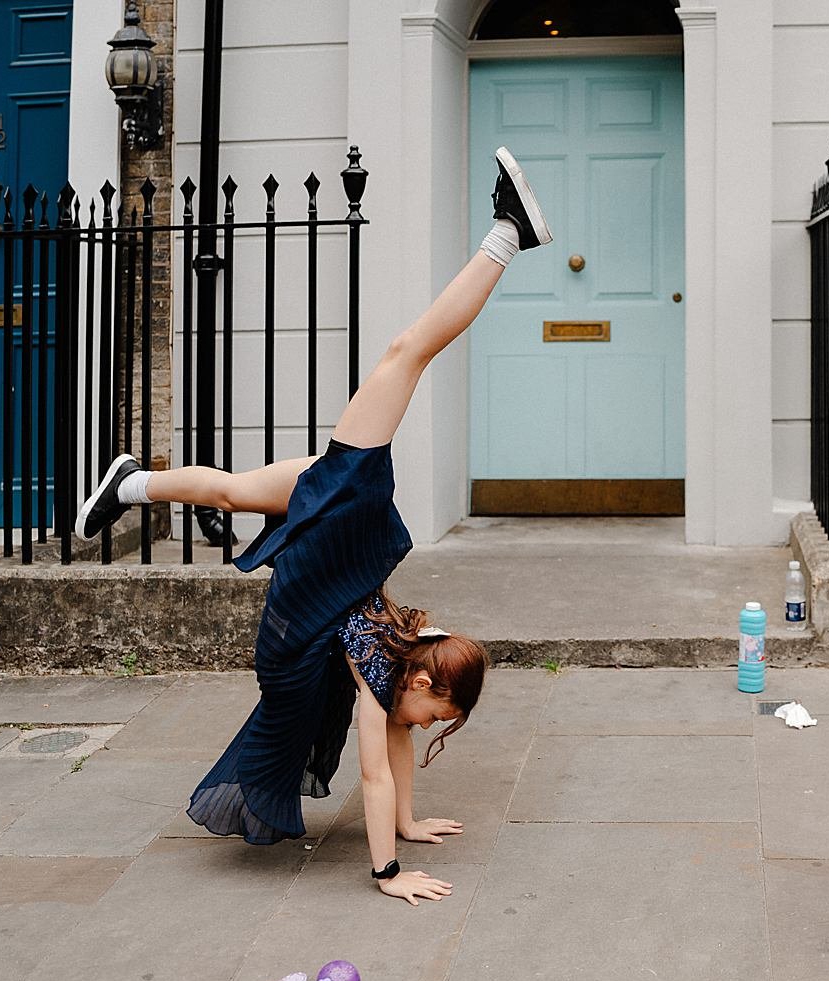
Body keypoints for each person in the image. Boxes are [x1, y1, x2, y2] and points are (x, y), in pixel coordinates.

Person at [74, 148, 552, 905]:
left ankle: (506, 232)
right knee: (394, 363)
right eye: (439, 715)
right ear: (422, 680)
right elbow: (377, 764)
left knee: (398, 362)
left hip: (325, 560)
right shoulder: (381, 673)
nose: (426, 728)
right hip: (336, 534)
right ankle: (129, 482)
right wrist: (391, 866)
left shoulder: (384, 672)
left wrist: (407, 818)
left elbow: (391, 745)